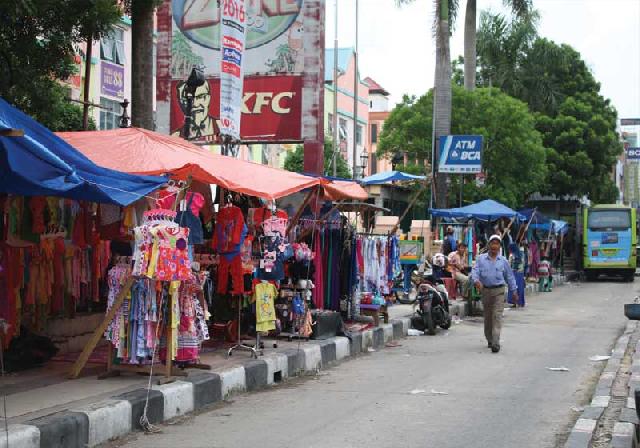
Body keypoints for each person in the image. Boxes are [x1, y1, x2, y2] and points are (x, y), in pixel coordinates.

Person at [471, 234, 518, 353]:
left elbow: (510, 277)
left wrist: (514, 291)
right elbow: (475, 271)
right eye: (492, 243)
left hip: (499, 291)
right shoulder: (481, 259)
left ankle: (496, 342)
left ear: (499, 247)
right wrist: (476, 281)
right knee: (488, 317)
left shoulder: (503, 261)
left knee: (497, 316)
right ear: (489, 245)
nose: (494, 246)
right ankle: (490, 339)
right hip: (485, 291)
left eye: (497, 244)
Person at [507, 243, 526, 308]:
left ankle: (514, 303)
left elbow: (509, 265)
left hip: (513, 273)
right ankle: (520, 302)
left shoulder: (511, 255)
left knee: (513, 288)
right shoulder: (522, 255)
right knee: (520, 288)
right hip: (520, 274)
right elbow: (524, 264)